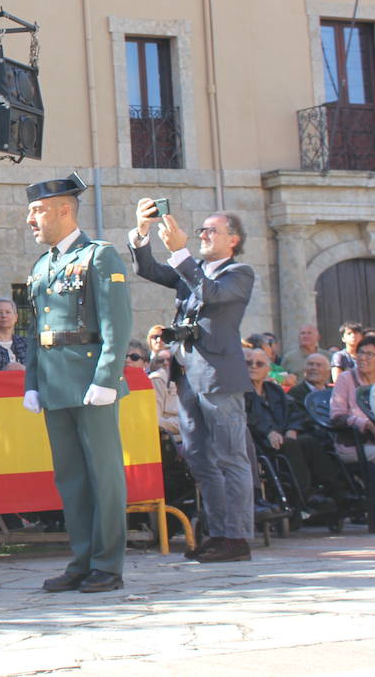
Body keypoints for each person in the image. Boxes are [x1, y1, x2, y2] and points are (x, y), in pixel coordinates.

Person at [21, 175, 133, 593]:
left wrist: (107, 377)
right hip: (54, 384)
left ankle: (108, 564)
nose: (30, 219)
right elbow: (36, 332)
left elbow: (116, 324)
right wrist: (32, 382)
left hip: (91, 383)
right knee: (71, 478)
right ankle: (83, 559)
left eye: (37, 210)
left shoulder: (99, 256)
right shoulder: (42, 265)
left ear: (63, 209)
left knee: (104, 475)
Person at [130, 198, 256, 564]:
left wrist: (181, 252)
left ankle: (238, 537)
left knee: (231, 458)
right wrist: (142, 231)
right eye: (201, 229)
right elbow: (149, 268)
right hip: (187, 378)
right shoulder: (193, 269)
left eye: (211, 230)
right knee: (200, 458)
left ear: (232, 240)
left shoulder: (239, 273)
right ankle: (217, 533)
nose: (203, 234)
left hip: (219, 378)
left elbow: (211, 295)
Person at [244, 347, 348, 519]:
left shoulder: (274, 390)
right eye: (249, 363)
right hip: (260, 442)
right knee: (292, 444)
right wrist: (269, 431)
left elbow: (295, 412)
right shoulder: (243, 392)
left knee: (308, 440)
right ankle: (306, 495)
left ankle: (336, 492)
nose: (253, 367)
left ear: (268, 369)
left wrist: (293, 429)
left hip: (284, 438)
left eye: (259, 363)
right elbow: (248, 418)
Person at [328, 333, 375, 499]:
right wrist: (365, 423)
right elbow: (336, 416)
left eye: (370, 354)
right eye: (360, 353)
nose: (363, 358)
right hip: (353, 443)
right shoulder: (346, 379)